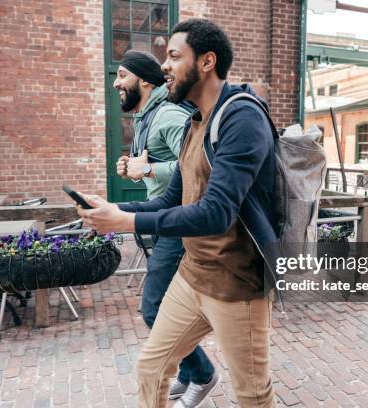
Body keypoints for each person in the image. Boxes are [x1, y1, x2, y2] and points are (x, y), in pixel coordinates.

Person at [79, 19, 276, 408]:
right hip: (193, 277)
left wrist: (126, 222)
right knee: (152, 369)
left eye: (172, 55)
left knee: (252, 396)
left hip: (236, 287)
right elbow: (170, 201)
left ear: (206, 61)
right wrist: (115, 208)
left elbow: (215, 213)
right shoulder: (194, 122)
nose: (163, 66)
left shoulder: (242, 118)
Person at [112, 49, 216, 401]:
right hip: (165, 217)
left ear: (144, 80)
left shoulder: (168, 115)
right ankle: (189, 374)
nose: (116, 82)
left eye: (122, 75)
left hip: (178, 222)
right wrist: (134, 167)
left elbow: (199, 165)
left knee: (155, 308)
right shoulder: (147, 118)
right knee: (169, 307)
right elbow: (161, 165)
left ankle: (202, 373)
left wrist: (151, 170)